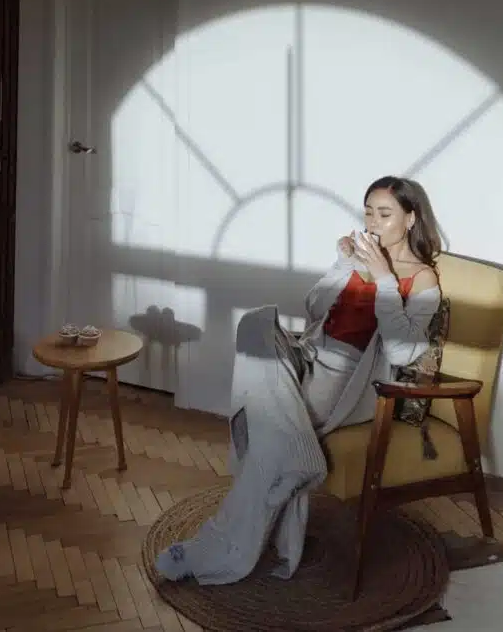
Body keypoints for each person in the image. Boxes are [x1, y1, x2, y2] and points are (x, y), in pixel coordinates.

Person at [154, 176, 443, 586]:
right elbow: (313, 310)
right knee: (255, 325)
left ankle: (209, 550)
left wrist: (383, 278)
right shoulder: (359, 258)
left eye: (385, 214)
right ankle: (299, 455)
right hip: (310, 350)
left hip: (346, 373)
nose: (373, 222)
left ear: (410, 219)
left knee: (267, 447)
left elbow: (400, 351)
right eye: (367, 212)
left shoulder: (423, 278)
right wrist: (343, 265)